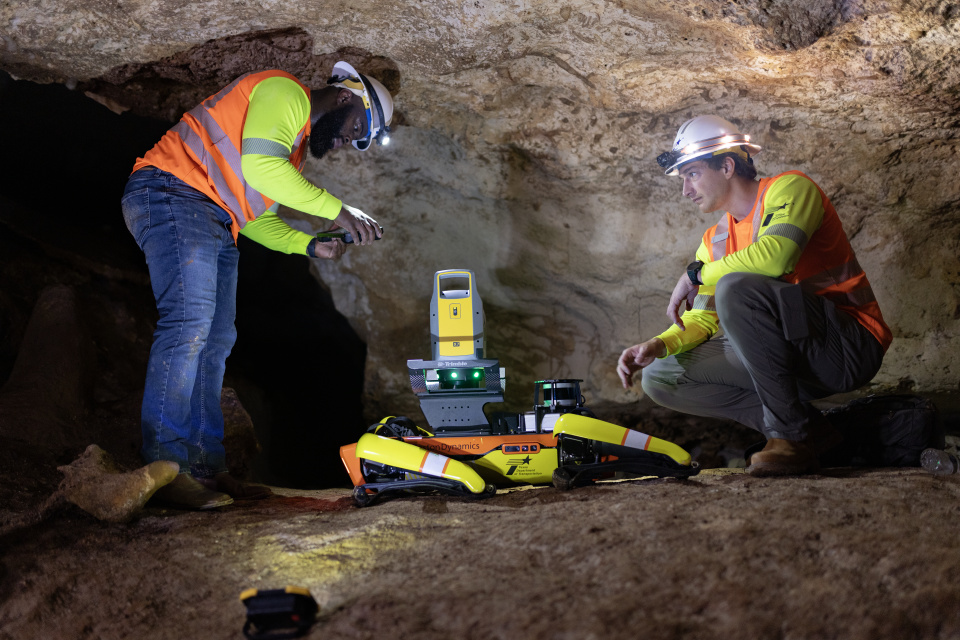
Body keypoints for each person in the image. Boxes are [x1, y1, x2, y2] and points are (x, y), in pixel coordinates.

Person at [121, 62, 394, 509]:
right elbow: (261, 169)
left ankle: (207, 471)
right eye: (357, 128)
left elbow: (256, 218)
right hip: (171, 191)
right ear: (347, 97)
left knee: (214, 340)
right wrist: (338, 209)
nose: (350, 141)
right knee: (189, 324)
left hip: (216, 216)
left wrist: (308, 245)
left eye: (358, 141)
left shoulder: (294, 151)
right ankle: (166, 469)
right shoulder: (284, 92)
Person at [616, 115, 892, 477]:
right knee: (661, 378)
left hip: (848, 346)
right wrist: (657, 345)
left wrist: (696, 273)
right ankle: (811, 432)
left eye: (692, 174)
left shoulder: (790, 189)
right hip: (789, 358)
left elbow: (775, 258)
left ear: (727, 165)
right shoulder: (714, 241)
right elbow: (703, 319)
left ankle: (788, 436)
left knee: (736, 285)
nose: (685, 190)